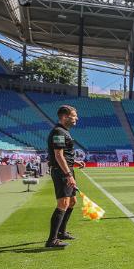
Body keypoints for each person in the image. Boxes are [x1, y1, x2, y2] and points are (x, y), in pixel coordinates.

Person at [46, 105, 84, 248]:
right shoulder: (59, 132)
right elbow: (58, 155)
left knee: (72, 201)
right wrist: (68, 174)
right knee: (63, 203)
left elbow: (64, 155)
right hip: (62, 172)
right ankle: (52, 240)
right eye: (74, 116)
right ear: (65, 116)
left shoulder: (63, 132)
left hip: (67, 169)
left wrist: (74, 162)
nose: (76, 118)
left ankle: (61, 232)